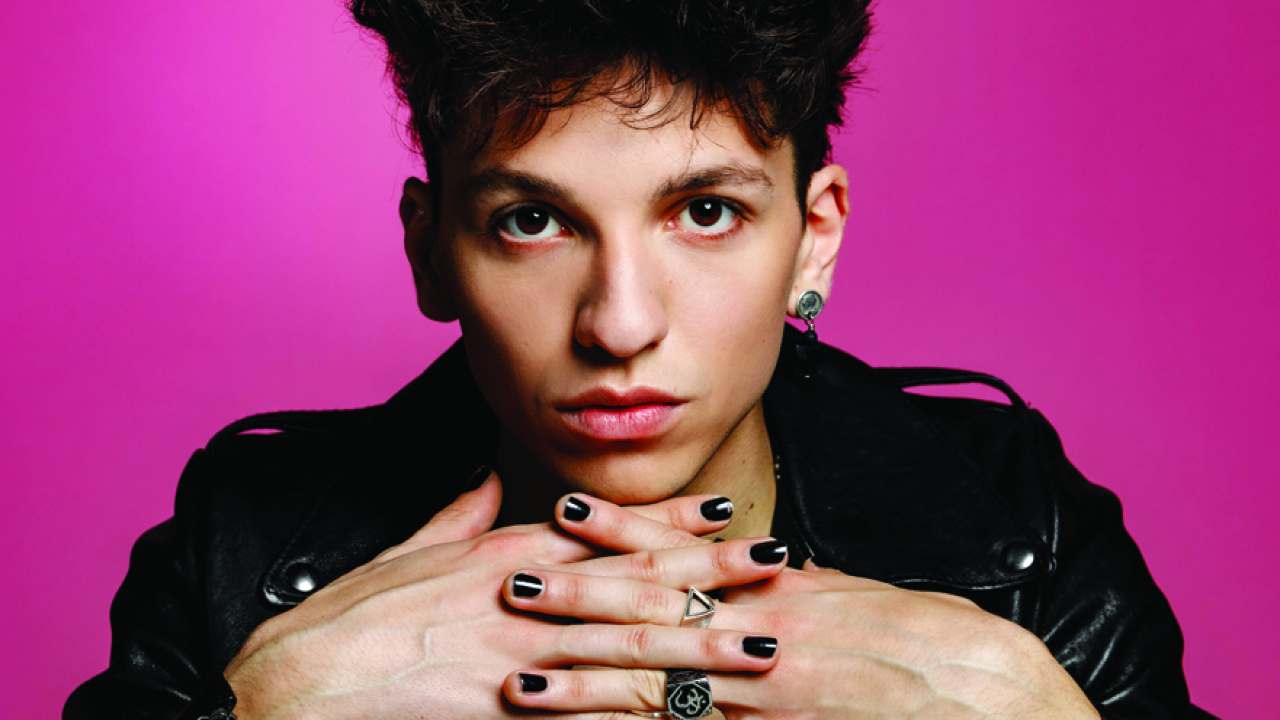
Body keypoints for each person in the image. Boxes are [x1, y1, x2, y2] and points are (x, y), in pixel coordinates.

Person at [65, 1, 1211, 718]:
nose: (617, 326)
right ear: (430, 251)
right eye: (532, 221)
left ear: (812, 237)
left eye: (704, 212)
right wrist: (263, 710)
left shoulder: (1013, 526)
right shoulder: (248, 544)